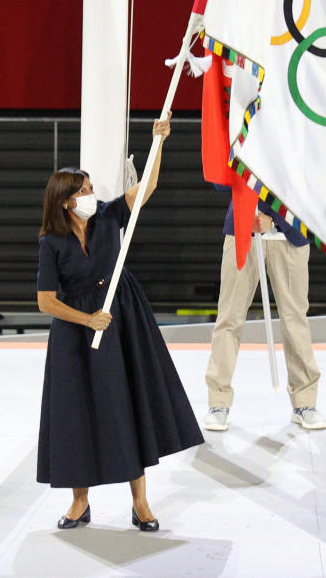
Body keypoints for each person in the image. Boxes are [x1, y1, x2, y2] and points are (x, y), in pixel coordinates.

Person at [36, 114, 203, 532]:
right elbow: (45, 302)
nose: (92, 195)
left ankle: (141, 503)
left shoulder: (110, 216)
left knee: (128, 402)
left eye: (91, 188)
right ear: (65, 201)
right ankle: (79, 503)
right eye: (84, 191)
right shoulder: (51, 244)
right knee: (76, 410)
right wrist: (86, 319)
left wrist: (158, 142)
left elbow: (146, 187)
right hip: (76, 332)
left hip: (121, 318)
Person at [203, 194, 324, 432]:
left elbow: (302, 179)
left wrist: (274, 219)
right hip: (242, 230)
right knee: (229, 317)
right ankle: (218, 403)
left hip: (290, 234)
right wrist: (250, 211)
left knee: (295, 319)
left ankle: (305, 403)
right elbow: (221, 180)